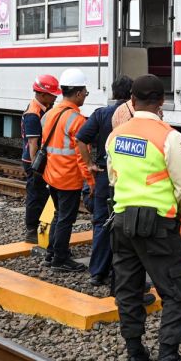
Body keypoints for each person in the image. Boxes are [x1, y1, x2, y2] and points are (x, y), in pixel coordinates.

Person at [105, 74, 181, 361]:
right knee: (178, 291)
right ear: (161, 102)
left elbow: (113, 177)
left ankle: (135, 356)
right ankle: (168, 359)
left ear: (131, 101)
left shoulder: (116, 135)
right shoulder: (169, 136)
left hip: (121, 221)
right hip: (158, 223)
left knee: (128, 290)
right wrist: (178, 213)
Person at [77, 75, 133, 286]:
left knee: (101, 222)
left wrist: (89, 163)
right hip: (127, 176)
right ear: (131, 94)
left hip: (103, 174)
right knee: (126, 223)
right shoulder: (134, 115)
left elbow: (81, 138)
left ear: (113, 92)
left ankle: (98, 272)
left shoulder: (101, 113)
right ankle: (122, 274)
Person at [40, 67, 94, 272]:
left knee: (58, 214)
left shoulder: (50, 113)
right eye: (85, 93)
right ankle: (60, 259)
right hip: (68, 177)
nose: (85, 97)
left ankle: (51, 253)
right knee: (66, 218)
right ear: (78, 93)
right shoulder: (77, 120)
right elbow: (82, 156)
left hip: (51, 175)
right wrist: (90, 180)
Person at [21, 74, 60, 244]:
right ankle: (31, 230)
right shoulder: (33, 114)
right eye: (53, 94)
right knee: (35, 195)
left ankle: (38, 228)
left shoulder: (43, 108)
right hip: (34, 162)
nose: (56, 97)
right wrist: (37, 168)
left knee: (40, 194)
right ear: (43, 94)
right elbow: (32, 143)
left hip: (38, 160)